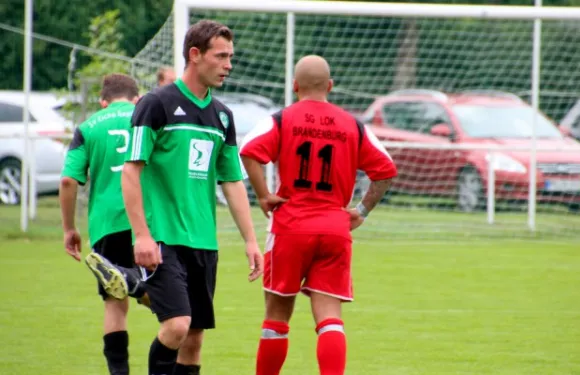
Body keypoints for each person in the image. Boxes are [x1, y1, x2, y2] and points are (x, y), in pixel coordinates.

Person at [121, 19, 263, 375]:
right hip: (163, 237)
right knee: (177, 325)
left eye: (231, 56)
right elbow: (131, 171)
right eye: (222, 56)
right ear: (195, 55)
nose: (229, 64)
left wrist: (251, 240)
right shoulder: (156, 104)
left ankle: (136, 286)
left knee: (194, 338)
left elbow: (231, 181)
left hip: (203, 241)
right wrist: (141, 235)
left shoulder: (223, 117)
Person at [239, 55, 397, 375]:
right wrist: (362, 211)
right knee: (330, 319)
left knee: (276, 317)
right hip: (334, 228)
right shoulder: (352, 124)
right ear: (330, 86)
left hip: (290, 226)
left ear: (295, 86)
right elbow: (386, 171)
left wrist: (263, 195)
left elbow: (249, 150)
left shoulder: (282, 119)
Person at [60, 73, 146, 375]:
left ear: (102, 101)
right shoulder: (145, 117)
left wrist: (69, 228)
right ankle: (138, 286)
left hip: (106, 223)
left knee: (114, 303)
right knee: (169, 300)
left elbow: (69, 180)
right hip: (148, 223)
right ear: (136, 98)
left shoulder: (87, 127)